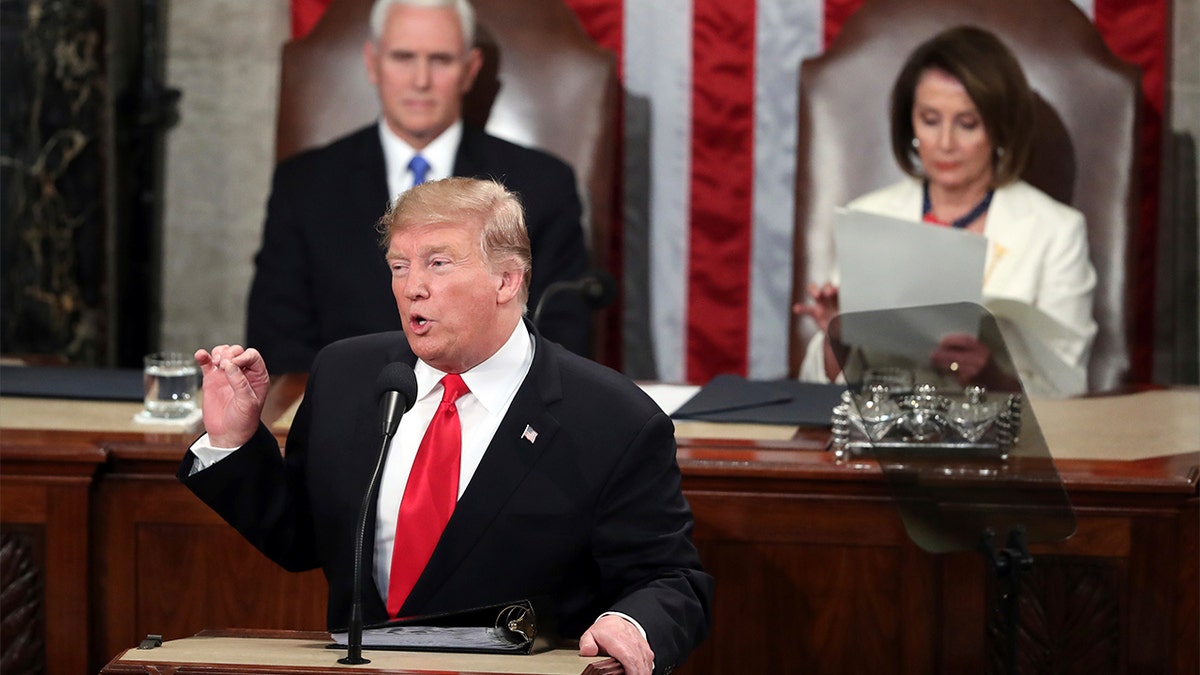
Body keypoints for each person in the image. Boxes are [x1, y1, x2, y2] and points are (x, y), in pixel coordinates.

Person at [180, 177, 713, 675]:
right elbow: (300, 539)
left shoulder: (611, 418)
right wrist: (234, 440)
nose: (413, 287)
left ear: (507, 279)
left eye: (437, 263)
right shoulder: (347, 375)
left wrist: (632, 622)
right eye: (399, 266)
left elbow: (671, 579)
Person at [246, 0, 591, 374]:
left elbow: (561, 337)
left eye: (440, 60)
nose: (420, 80)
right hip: (349, 411)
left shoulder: (540, 185)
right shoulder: (305, 184)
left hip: (491, 411)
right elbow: (276, 339)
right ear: (373, 63)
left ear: (470, 69)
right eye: (403, 57)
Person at [794, 25, 1097, 398]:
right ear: (911, 124)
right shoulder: (870, 216)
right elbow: (814, 387)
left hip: (1001, 442)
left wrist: (993, 376)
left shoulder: (1055, 231)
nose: (945, 143)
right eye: (930, 120)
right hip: (884, 437)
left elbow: (1071, 386)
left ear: (1000, 128)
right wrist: (836, 336)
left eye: (967, 124)